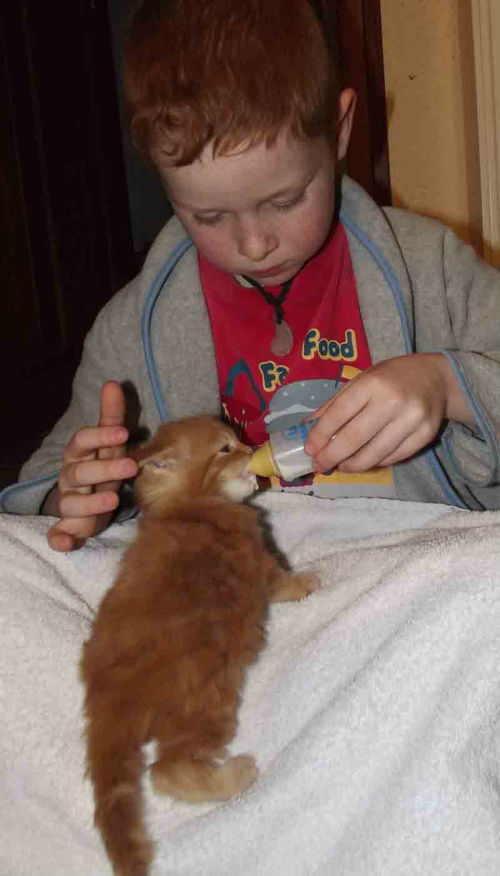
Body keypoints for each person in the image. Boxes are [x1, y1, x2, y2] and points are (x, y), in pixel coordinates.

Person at [1, 0, 499, 549]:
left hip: (410, 557)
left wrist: (448, 384)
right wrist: (74, 498)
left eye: (286, 201)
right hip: (232, 574)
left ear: (339, 130)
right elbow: (47, 476)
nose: (255, 245)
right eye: (208, 217)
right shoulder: (131, 328)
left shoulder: (434, 270)